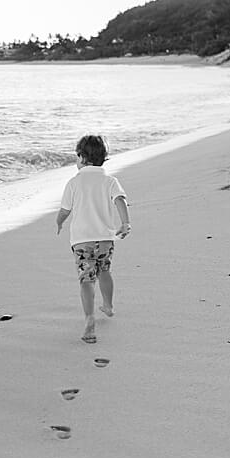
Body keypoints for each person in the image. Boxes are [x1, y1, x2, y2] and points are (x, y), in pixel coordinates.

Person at [55, 133, 131, 344]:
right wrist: (125, 223)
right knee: (104, 271)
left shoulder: (73, 183)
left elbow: (65, 210)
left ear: (81, 157)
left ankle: (89, 318)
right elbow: (120, 200)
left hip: (82, 241)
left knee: (86, 280)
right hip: (106, 239)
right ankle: (108, 305)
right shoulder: (110, 181)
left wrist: (59, 222)